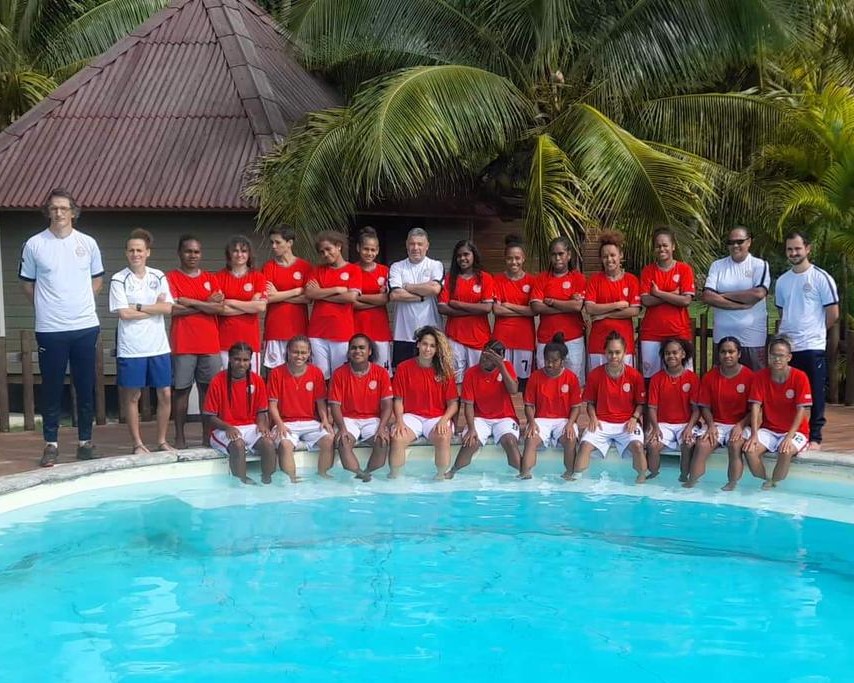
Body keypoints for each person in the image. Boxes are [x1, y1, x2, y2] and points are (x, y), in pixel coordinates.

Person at [20, 188, 104, 466]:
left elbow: (97, 280)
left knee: (85, 385)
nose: (59, 213)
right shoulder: (34, 244)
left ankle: (85, 442)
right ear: (48, 211)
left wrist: (78, 303)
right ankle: (51, 443)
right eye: (54, 208)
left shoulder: (88, 243)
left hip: (84, 325)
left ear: (73, 212)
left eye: (63, 208)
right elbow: (27, 285)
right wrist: (48, 307)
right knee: (52, 387)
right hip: (50, 328)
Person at [109, 229, 175, 454]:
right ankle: (137, 443)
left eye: (139, 250)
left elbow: (167, 308)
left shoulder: (158, 276)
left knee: (165, 393)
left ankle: (162, 440)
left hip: (158, 346)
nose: (135, 254)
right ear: (126, 253)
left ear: (148, 252)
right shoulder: (119, 279)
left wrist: (136, 305)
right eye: (131, 250)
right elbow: (123, 314)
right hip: (132, 347)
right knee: (133, 395)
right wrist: (153, 309)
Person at [775, 230, 839, 449]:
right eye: (790, 249)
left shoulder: (821, 277)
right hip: (788, 348)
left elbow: (833, 313)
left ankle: (815, 437)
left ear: (807, 249)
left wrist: (815, 333)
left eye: (797, 248)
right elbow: (783, 313)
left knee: (815, 392)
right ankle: (789, 430)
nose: (793, 253)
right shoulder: (782, 281)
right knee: (787, 392)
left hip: (812, 346)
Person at [167, 235, 224, 449]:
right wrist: (205, 304)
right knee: (181, 390)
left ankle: (207, 436)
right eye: (188, 251)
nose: (193, 255)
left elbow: (219, 308)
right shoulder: (171, 278)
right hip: (183, 343)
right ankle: (179, 437)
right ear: (180, 253)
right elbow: (173, 309)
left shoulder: (211, 278)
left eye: (196, 251)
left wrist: (188, 301)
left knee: (207, 392)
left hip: (209, 343)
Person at [574, 332, 647, 482]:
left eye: (618, 352)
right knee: (584, 446)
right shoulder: (595, 375)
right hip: (602, 422)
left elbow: (640, 403)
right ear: (605, 352)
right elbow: (590, 403)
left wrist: (634, 418)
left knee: (639, 447)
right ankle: (577, 480)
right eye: (610, 352)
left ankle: (641, 481)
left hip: (627, 422)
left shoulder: (635, 376)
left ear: (625, 352)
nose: (614, 356)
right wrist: (593, 417)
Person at [742, 336, 812, 489]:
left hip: (797, 431)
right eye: (773, 355)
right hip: (769, 429)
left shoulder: (800, 377)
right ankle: (764, 481)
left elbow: (802, 410)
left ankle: (774, 483)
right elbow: (755, 407)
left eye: (781, 355)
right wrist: (754, 434)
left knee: (785, 451)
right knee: (749, 450)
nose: (777, 359)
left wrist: (789, 436)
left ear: (789, 357)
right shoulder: (760, 376)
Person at [445, 340, 522, 478]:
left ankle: (523, 474)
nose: (483, 359)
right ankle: (453, 471)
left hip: (505, 417)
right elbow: (468, 405)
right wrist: (472, 428)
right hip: (480, 418)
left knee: (510, 442)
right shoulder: (471, 373)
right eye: (483, 354)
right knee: (470, 442)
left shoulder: (506, 367)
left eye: (488, 357)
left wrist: (501, 366)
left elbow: (514, 390)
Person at [202, 342, 276, 485]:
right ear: (229, 359)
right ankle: (241, 482)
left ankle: (268, 480)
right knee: (238, 444)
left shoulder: (257, 380)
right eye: (237, 359)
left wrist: (262, 425)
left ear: (250, 361)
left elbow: (261, 411)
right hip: (222, 429)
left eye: (245, 360)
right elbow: (209, 417)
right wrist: (227, 427)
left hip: (249, 427)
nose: (241, 364)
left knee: (268, 442)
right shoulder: (217, 381)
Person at [389, 326, 458, 479]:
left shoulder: (445, 371)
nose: (428, 349)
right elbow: (398, 400)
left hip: (437, 417)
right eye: (425, 344)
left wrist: (444, 420)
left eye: (432, 346)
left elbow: (453, 403)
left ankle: (440, 476)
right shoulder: (403, 368)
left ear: (437, 349)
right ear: (418, 344)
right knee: (397, 436)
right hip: (411, 416)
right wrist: (399, 421)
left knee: (443, 436)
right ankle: (395, 477)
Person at [685, 337, 753, 490]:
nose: (727, 355)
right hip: (717, 423)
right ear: (718, 355)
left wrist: (741, 426)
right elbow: (705, 407)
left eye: (731, 352)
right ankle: (692, 482)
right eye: (723, 352)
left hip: (741, 423)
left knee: (735, 445)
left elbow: (755, 410)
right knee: (701, 445)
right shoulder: (710, 377)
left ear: (739, 354)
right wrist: (710, 426)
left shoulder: (750, 377)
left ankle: (731, 484)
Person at [701, 226, 771, 370]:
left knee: (755, 383)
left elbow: (758, 294)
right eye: (731, 242)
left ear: (749, 242)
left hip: (752, 338)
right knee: (723, 384)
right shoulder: (717, 266)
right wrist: (740, 305)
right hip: (722, 337)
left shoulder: (759, 265)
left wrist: (723, 295)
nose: (735, 246)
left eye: (740, 241)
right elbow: (708, 296)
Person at [266, 336, 335, 480]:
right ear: (288, 352)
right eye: (295, 352)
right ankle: (292, 479)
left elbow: (320, 401)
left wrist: (324, 420)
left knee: (329, 438)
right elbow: (272, 405)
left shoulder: (316, 372)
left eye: (303, 352)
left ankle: (323, 475)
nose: (299, 356)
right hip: (286, 422)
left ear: (309, 353)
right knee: (285, 445)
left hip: (310, 421)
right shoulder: (276, 373)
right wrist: (279, 424)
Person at [328, 334, 394, 481]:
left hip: (372, 419)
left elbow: (387, 405)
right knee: (343, 442)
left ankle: (368, 472)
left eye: (362, 347)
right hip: (348, 419)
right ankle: (360, 474)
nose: (357, 351)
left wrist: (382, 427)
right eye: (353, 348)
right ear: (349, 351)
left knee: (383, 441)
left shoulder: (381, 373)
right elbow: (334, 406)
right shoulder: (339, 374)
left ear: (370, 351)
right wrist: (342, 428)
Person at [520, 333, 583, 480]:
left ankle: (569, 474)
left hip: (564, 420)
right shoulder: (535, 377)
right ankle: (525, 474)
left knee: (570, 438)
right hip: (541, 420)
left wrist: (570, 423)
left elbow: (576, 407)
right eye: (547, 360)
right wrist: (532, 422)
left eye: (554, 361)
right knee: (530, 438)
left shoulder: (571, 378)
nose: (549, 364)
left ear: (562, 361)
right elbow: (528, 405)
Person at [638, 227, 696, 378]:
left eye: (665, 245)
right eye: (658, 246)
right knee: (651, 377)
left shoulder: (684, 269)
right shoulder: (648, 271)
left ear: (673, 246)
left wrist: (658, 293)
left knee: (684, 376)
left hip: (679, 331)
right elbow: (646, 300)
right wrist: (672, 295)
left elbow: (685, 300)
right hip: (652, 333)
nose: (661, 248)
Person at [305, 230, 362, 380]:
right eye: (322, 252)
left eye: (328, 249)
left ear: (339, 246)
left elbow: (351, 297)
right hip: (317, 333)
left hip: (342, 332)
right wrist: (336, 290)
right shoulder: (317, 270)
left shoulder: (354, 270)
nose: (325, 254)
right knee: (319, 377)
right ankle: (322, 405)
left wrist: (321, 294)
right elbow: (310, 294)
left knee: (340, 376)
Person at [529, 236, 587, 383]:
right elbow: (536, 306)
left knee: (573, 382)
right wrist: (566, 305)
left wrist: (552, 302)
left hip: (573, 338)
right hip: (546, 338)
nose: (557, 258)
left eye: (561, 254)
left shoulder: (578, 278)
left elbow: (577, 306)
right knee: (546, 382)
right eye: (554, 254)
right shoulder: (542, 278)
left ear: (568, 255)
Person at [438, 240, 494, 383]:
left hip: (479, 337)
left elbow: (487, 308)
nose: (462, 258)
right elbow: (442, 307)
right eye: (458, 256)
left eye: (466, 254)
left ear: (474, 255)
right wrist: (475, 308)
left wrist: (456, 304)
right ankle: (457, 405)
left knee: (478, 379)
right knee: (455, 379)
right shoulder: (450, 278)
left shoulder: (485, 278)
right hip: (455, 336)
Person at [387, 227, 444, 368]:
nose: (415, 248)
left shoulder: (435, 265)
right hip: (403, 333)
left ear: (427, 246)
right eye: (412, 244)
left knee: (431, 373)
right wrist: (422, 297)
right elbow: (395, 294)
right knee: (402, 374)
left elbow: (434, 288)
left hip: (431, 333)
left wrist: (407, 286)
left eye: (420, 244)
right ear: (407, 245)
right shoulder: (397, 267)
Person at [645, 339, 700, 481]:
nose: (671, 356)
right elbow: (652, 408)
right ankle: (654, 475)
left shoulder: (692, 378)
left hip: (685, 423)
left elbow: (696, 410)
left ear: (683, 354)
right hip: (663, 424)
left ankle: (684, 476)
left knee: (688, 444)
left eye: (675, 352)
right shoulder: (657, 379)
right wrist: (655, 427)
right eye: (667, 353)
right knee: (652, 445)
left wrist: (689, 427)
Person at [585, 231, 641, 370]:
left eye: (612, 255)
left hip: (624, 345)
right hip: (598, 344)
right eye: (605, 256)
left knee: (624, 386)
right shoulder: (594, 280)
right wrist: (617, 305)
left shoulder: (631, 280)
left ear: (620, 255)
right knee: (598, 387)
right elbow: (590, 308)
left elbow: (633, 310)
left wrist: (603, 314)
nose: (609, 259)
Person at [261, 226, 311, 369]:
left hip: (298, 329)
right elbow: (268, 298)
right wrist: (296, 291)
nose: (273, 246)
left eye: (277, 242)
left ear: (289, 243)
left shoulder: (305, 267)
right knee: (274, 373)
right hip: (275, 329)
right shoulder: (268, 267)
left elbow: (308, 298)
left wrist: (279, 295)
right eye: (271, 243)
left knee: (298, 371)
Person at [217, 235, 267, 374]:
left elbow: (260, 307)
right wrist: (249, 306)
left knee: (250, 384)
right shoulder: (218, 277)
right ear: (229, 254)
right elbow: (220, 309)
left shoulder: (258, 277)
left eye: (244, 251)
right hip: (225, 341)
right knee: (225, 384)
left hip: (250, 341)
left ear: (249, 254)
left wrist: (231, 301)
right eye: (236, 251)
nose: (240, 254)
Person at [492, 235, 536, 388]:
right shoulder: (496, 280)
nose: (514, 262)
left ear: (523, 258)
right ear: (505, 259)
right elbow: (497, 310)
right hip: (501, 338)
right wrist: (523, 310)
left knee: (522, 383)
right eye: (510, 258)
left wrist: (509, 305)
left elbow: (533, 311)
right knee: (501, 381)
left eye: (517, 258)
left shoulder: (532, 281)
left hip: (524, 339)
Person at [353, 227, 392, 372]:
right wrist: (376, 300)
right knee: (357, 372)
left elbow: (385, 299)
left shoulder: (385, 271)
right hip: (356, 327)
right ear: (358, 248)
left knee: (381, 371)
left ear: (377, 250)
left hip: (379, 328)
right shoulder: (351, 270)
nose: (369, 253)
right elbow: (351, 303)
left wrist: (359, 297)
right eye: (366, 249)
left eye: (373, 250)